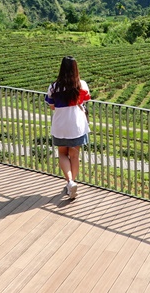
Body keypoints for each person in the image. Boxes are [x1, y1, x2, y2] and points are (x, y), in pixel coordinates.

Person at [45, 56, 91, 199]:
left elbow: (52, 106)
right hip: (77, 125)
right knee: (74, 155)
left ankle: (70, 182)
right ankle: (72, 183)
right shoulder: (81, 85)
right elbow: (84, 101)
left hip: (60, 125)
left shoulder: (54, 87)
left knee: (63, 154)